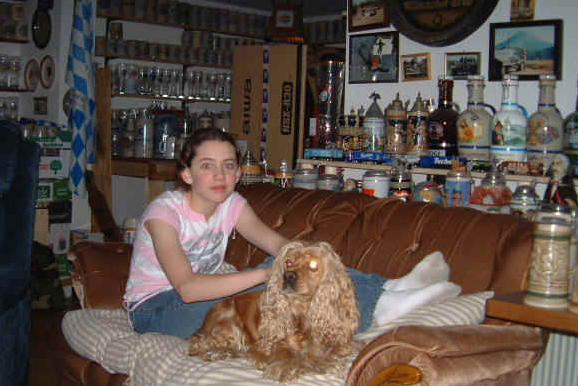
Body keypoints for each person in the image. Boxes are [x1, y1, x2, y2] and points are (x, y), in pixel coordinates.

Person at [124, 128, 459, 338]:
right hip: (156, 311)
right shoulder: (164, 213)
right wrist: (268, 274)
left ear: (238, 173)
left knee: (297, 260)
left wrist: (307, 259)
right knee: (273, 289)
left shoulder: (232, 204)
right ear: (186, 174)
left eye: (228, 165)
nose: (220, 175)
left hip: (201, 295)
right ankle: (377, 310)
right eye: (206, 165)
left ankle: (388, 288)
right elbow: (187, 289)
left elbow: (279, 244)